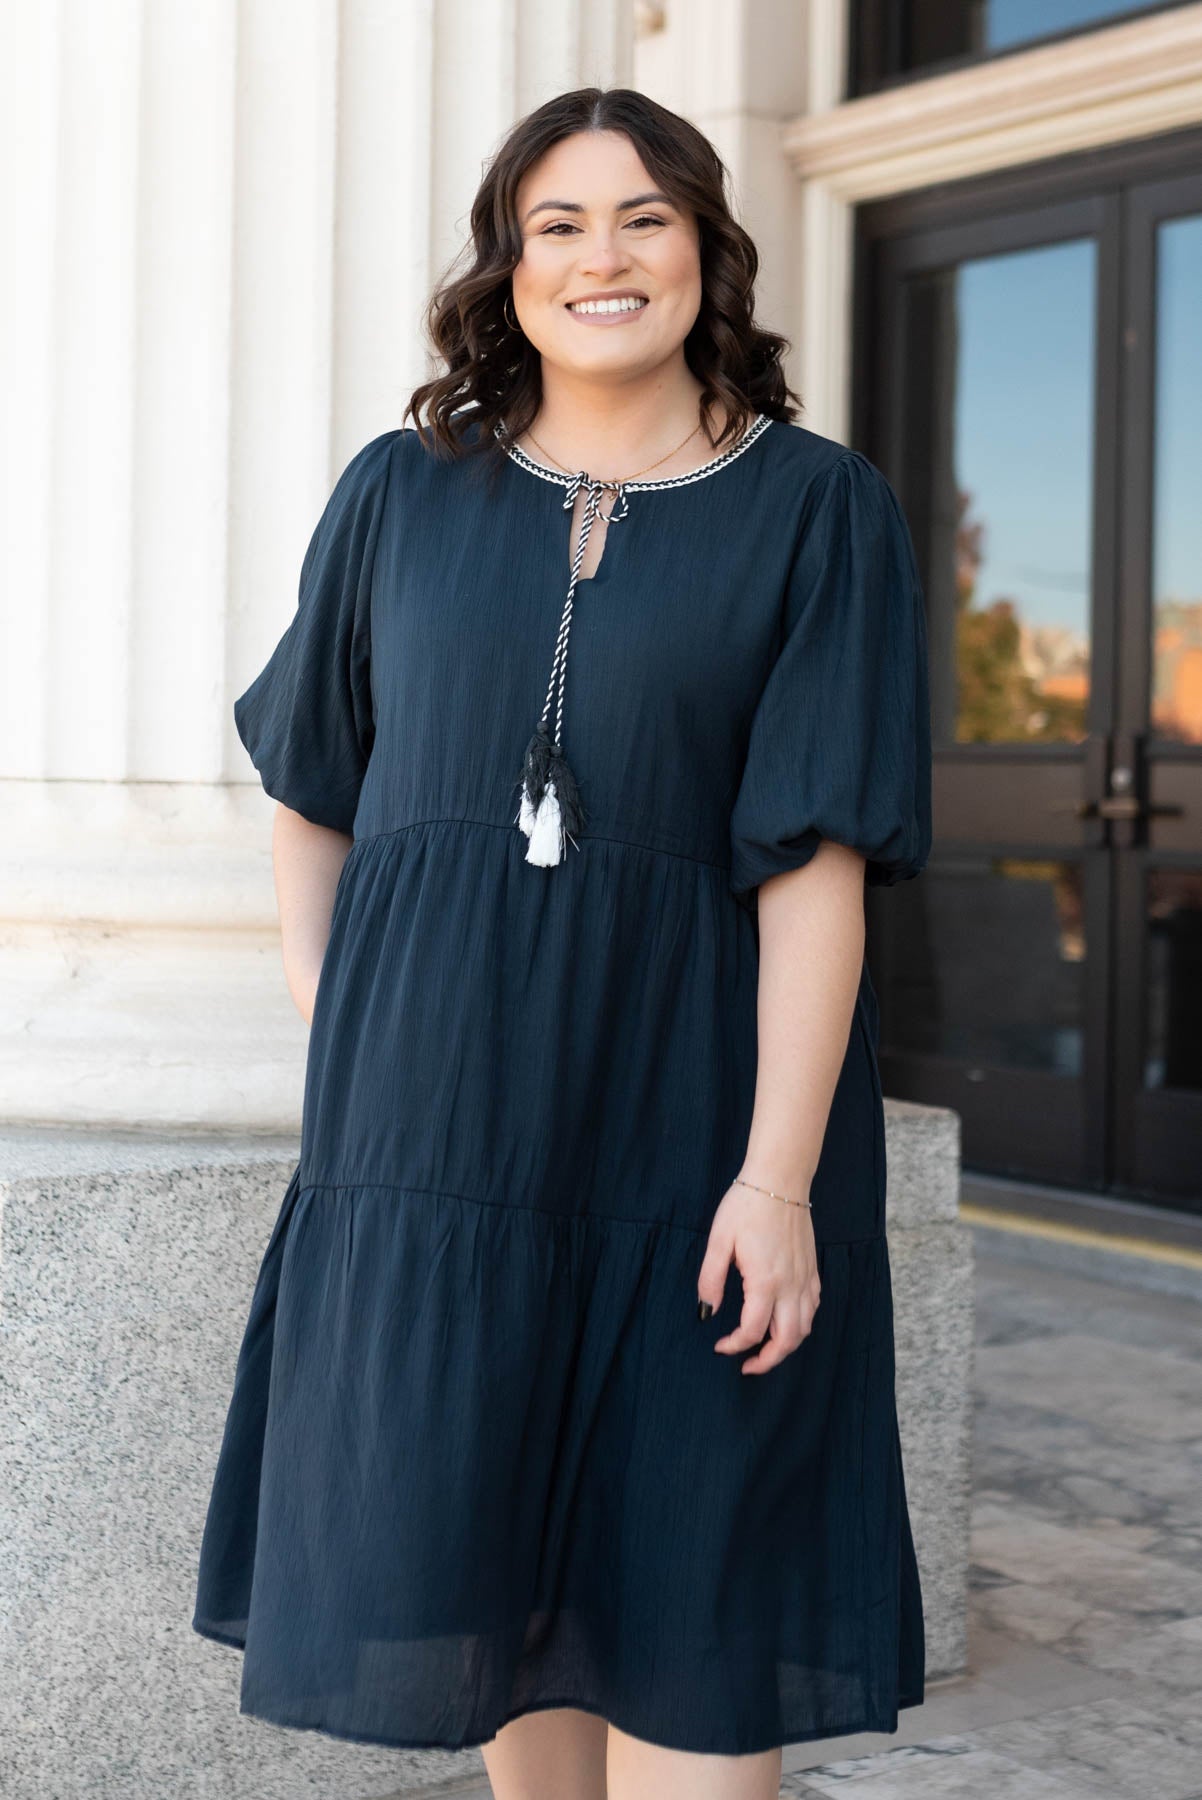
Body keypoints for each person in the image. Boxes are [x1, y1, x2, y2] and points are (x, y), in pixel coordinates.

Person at [193, 85, 932, 1800]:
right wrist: (340, 1031)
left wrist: (776, 1180)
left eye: (645, 218)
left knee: (690, 1645)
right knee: (490, 1611)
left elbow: (813, 857)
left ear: (705, 251)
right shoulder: (401, 491)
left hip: (693, 1138)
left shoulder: (816, 511)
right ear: (506, 267)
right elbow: (313, 787)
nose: (604, 258)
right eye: (559, 225)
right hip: (433, 1146)